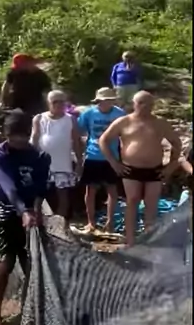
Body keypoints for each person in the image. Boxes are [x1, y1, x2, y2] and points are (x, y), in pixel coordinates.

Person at [0, 109, 50, 325]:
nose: (19, 141)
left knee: (32, 264)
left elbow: (41, 188)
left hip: (30, 213)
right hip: (2, 213)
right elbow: (9, 187)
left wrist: (35, 210)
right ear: (6, 134)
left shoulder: (40, 156)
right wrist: (23, 211)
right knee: (5, 262)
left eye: (23, 136)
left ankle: (31, 310)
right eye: (14, 137)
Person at [99, 91, 182, 246]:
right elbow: (103, 140)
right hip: (130, 169)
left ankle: (148, 241)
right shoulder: (123, 121)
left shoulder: (160, 123)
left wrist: (171, 166)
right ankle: (130, 241)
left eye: (149, 104)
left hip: (155, 169)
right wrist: (114, 163)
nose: (146, 107)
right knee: (132, 200)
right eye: (142, 103)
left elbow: (176, 143)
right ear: (134, 104)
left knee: (151, 203)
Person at [31, 90, 83, 233]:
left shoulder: (70, 119)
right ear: (49, 103)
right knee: (38, 197)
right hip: (42, 164)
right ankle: (37, 226)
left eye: (62, 101)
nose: (59, 104)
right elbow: (34, 140)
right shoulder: (39, 118)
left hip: (63, 163)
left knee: (63, 195)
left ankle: (60, 227)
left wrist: (79, 162)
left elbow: (76, 141)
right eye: (55, 102)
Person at [77, 88, 125, 235]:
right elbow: (79, 130)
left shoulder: (120, 114)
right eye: (104, 100)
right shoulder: (89, 113)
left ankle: (110, 223)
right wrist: (80, 151)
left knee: (112, 191)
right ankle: (91, 222)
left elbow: (125, 134)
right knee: (90, 190)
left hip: (112, 156)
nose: (106, 103)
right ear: (98, 101)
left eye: (109, 100)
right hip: (93, 155)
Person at [0, 54, 51, 121]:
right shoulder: (14, 72)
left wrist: (49, 103)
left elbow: (47, 90)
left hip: (35, 104)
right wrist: (2, 101)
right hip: (17, 104)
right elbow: (6, 86)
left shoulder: (40, 75)